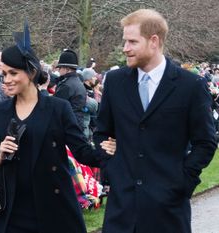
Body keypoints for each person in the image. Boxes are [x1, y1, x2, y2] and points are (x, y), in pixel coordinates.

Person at [0, 22, 115, 233]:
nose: (7, 80)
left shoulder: (57, 108)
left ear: (31, 72)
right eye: (4, 74)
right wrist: (0, 155)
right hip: (10, 209)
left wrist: (108, 150)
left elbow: (81, 151)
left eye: (13, 73)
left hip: (52, 208)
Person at [93, 9, 217, 233]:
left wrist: (182, 182)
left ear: (154, 41)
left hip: (168, 213)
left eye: (132, 41)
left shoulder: (190, 86)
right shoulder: (115, 81)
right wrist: (111, 167)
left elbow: (206, 142)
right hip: (122, 212)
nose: (125, 48)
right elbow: (101, 132)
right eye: (125, 41)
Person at [54, 49, 87, 131]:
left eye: (60, 67)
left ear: (67, 69)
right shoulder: (77, 81)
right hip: (77, 123)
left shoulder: (66, 85)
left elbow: (56, 107)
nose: (58, 70)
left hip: (68, 126)